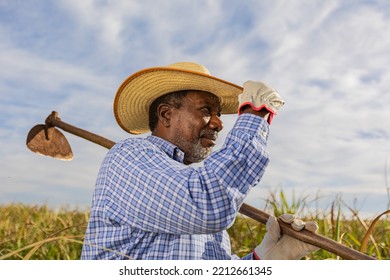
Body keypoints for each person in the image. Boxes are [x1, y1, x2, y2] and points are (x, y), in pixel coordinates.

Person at [81, 62, 318, 260]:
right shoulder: (129, 156)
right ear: (166, 115)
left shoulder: (190, 183)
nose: (218, 123)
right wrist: (255, 112)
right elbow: (207, 203)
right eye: (206, 110)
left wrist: (266, 257)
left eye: (218, 113)